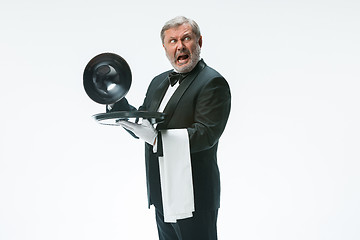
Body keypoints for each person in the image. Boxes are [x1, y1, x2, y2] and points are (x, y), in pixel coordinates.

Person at [108, 16, 231, 240]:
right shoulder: (158, 82)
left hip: (195, 197)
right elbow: (143, 121)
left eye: (186, 38)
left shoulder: (212, 82)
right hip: (162, 193)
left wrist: (156, 140)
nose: (180, 46)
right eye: (172, 41)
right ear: (164, 47)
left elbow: (206, 133)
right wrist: (116, 102)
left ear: (199, 42)